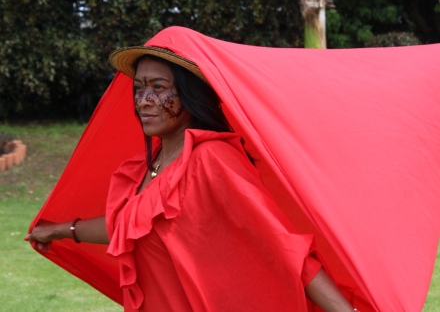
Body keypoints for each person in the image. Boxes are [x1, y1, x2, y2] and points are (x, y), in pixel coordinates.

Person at [26, 46, 358, 312]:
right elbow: (130, 225)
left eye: (158, 88)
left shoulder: (212, 160)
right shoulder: (150, 164)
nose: (143, 100)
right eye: (140, 88)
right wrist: (63, 230)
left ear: (188, 96)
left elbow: (282, 246)